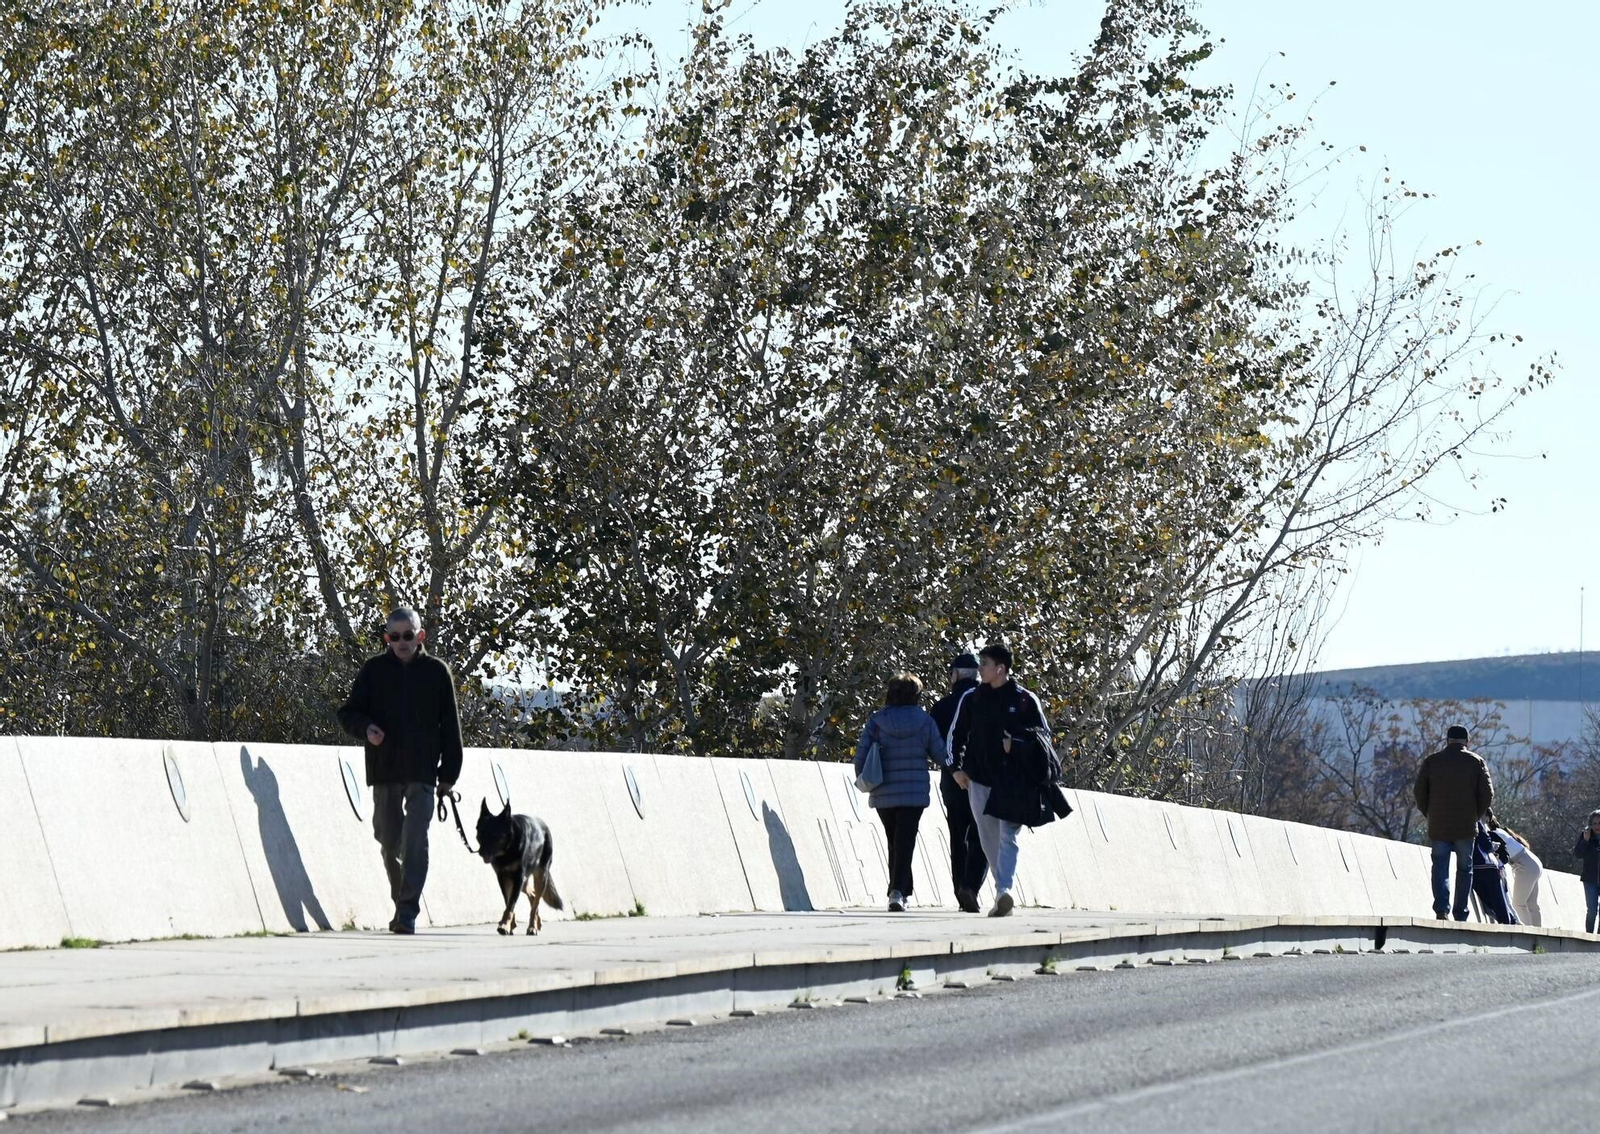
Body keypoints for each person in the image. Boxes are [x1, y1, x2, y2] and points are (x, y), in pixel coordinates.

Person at [337, 607, 464, 935]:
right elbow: (348, 713)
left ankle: (407, 911)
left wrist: (448, 774)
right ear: (387, 639)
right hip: (385, 771)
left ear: (420, 636)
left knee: (415, 840)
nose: (402, 642)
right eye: (395, 637)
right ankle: (400, 902)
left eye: (408, 635)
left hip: (423, 773)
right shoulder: (373, 671)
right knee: (389, 841)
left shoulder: (437, 672)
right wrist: (366, 729)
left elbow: (450, 726)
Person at [946, 643, 1051, 918]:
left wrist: (1014, 745)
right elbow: (955, 737)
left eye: (984, 664)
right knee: (988, 838)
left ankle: (1005, 890)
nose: (979, 669)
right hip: (978, 779)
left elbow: (1044, 739)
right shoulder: (971, 698)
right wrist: (955, 768)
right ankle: (1000, 889)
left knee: (1008, 836)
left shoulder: (1025, 700)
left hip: (1013, 781)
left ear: (1000, 668)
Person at [853, 673, 945, 912]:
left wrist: (862, 777)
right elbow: (940, 754)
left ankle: (900, 890)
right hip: (914, 791)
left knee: (894, 840)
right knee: (905, 842)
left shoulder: (876, 721)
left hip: (884, 789)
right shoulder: (924, 721)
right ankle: (897, 892)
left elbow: (861, 754)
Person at [1412, 724, 1494, 922]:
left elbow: (1418, 792)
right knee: (1465, 869)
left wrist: (1429, 814)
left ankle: (1442, 910)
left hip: (1438, 826)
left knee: (1440, 866)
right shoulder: (1477, 762)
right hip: (1466, 827)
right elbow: (1488, 793)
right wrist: (1476, 815)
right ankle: (1460, 913)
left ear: (1447, 741)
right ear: (1467, 742)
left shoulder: (1432, 762)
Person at [928, 652, 987, 912]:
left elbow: (935, 745)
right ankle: (970, 887)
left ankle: (959, 889)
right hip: (984, 778)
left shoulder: (941, 707)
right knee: (982, 834)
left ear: (954, 674)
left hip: (952, 779)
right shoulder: (990, 701)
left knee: (958, 836)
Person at [1486, 810, 1542, 927]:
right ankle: (1539, 934)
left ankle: (1528, 933)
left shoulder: (1493, 835)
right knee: (1532, 905)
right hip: (1533, 862)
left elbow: (1503, 857)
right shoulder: (1500, 831)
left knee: (1518, 904)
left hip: (1524, 865)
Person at [1469, 819, 1517, 924]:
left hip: (1471, 867)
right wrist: (1493, 846)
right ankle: (1510, 923)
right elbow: (1486, 844)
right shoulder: (1476, 820)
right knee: (1500, 903)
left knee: (1488, 903)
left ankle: (1510, 921)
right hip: (1486, 866)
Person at [1573, 810, 1600, 933]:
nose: (1597, 826)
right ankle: (1589, 935)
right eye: (1594, 823)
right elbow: (1578, 854)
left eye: (1599, 823)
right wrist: (1585, 840)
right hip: (1590, 880)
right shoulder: (1586, 835)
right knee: (1592, 911)